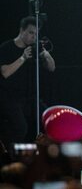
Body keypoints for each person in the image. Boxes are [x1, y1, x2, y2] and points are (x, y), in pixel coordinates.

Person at [0, 16, 55, 151]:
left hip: (30, 97)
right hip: (10, 98)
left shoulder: (35, 49)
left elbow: (52, 68)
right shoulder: (7, 47)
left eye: (36, 34)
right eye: (31, 32)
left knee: (49, 119)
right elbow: (5, 72)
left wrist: (45, 54)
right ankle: (14, 157)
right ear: (21, 30)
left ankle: (44, 156)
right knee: (20, 128)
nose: (34, 37)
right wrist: (23, 57)